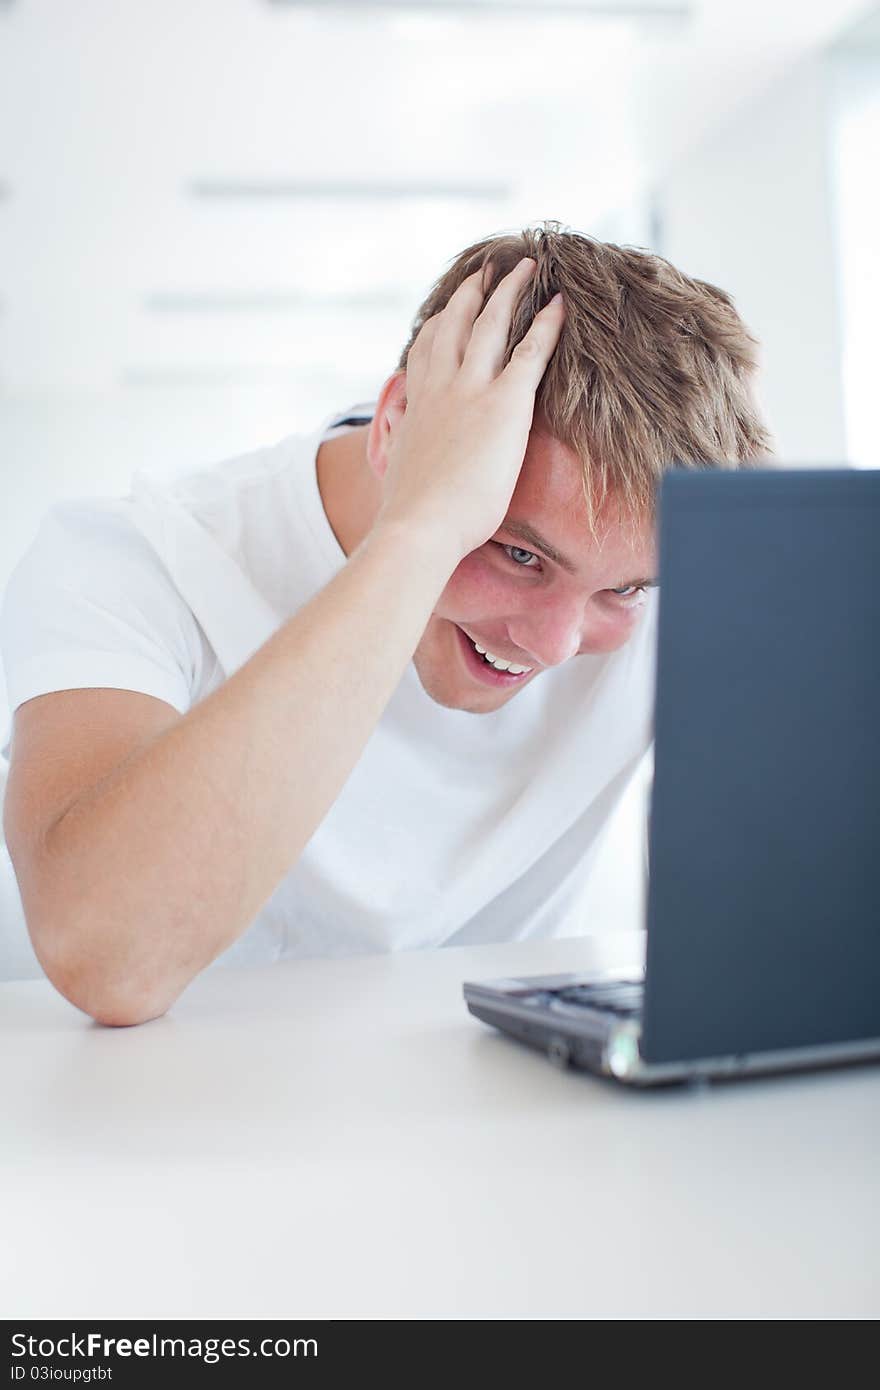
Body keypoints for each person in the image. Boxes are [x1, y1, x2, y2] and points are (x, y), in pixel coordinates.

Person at [0, 224, 771, 1027]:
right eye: (516, 553)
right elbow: (107, 955)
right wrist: (420, 529)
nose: (553, 645)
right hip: (182, 1130)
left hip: (523, 1121)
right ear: (397, 424)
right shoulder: (130, 560)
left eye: (625, 592)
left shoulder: (667, 579)